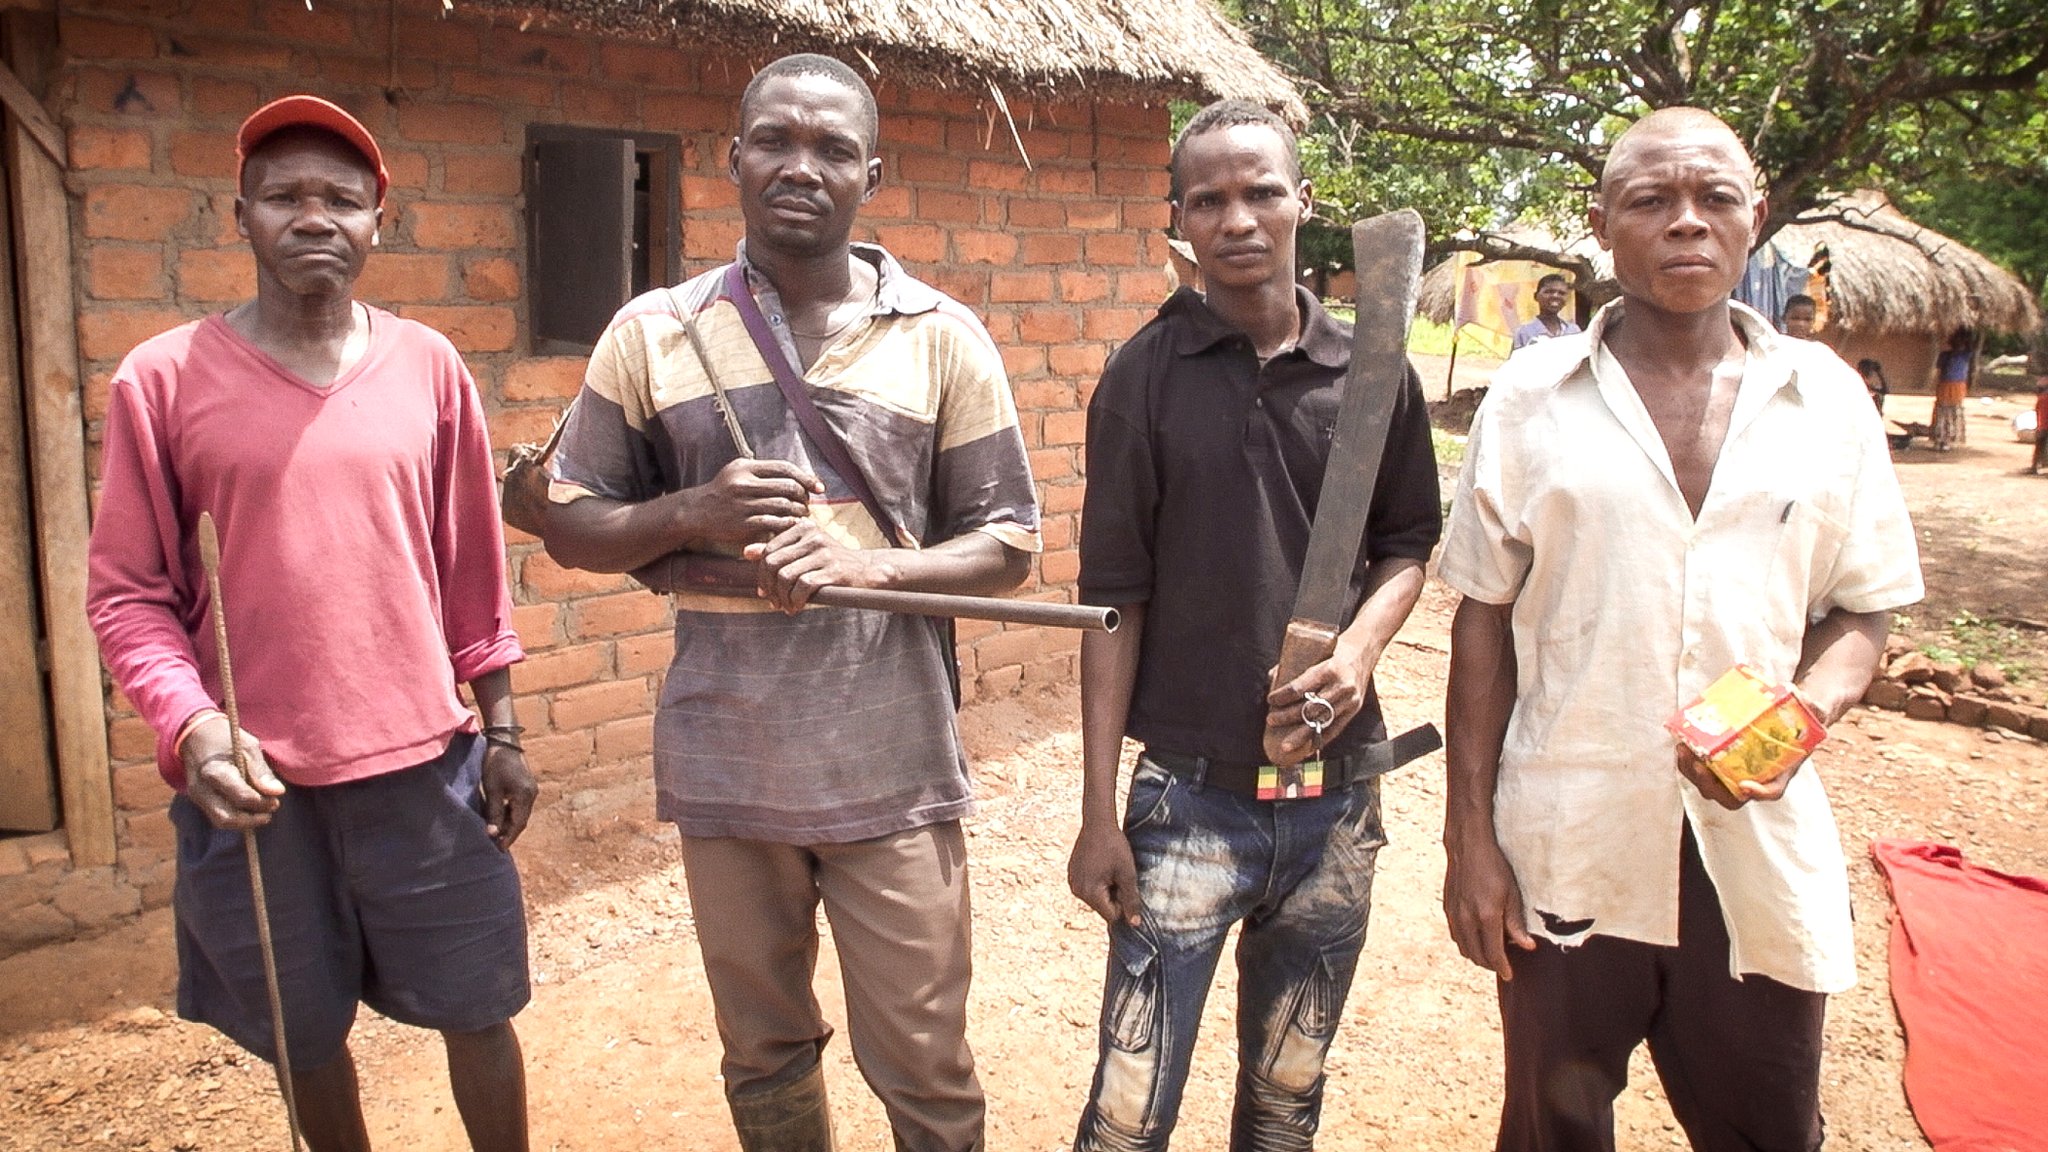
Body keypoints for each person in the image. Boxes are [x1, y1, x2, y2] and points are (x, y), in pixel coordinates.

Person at [541, 54, 1039, 1152]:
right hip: (726, 760)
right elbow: (569, 523)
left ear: (872, 170)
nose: (798, 165)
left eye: (830, 148)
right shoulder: (654, 333)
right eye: (773, 140)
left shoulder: (942, 335)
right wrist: (690, 514)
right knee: (761, 1048)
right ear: (733, 159)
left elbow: (1009, 548)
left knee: (921, 1057)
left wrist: (868, 570)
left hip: (891, 764)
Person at [1439, 106, 1921, 1152]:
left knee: (1765, 1128)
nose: (1685, 224)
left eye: (1711, 198)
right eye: (1651, 201)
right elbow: (1479, 621)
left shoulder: (1826, 402)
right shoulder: (1528, 400)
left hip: (1752, 846)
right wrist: (1468, 837)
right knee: (1550, 1131)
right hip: (1568, 845)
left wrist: (1805, 708)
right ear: (1601, 224)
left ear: (1754, 215)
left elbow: (1863, 605)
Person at [85, 96, 536, 1152]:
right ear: (237, 215)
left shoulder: (430, 368)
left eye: (340, 198)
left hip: (427, 768)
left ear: (380, 218)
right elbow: (128, 594)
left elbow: (473, 570)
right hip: (257, 787)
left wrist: (504, 730)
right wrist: (192, 727)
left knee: (480, 1007)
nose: (313, 217)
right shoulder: (160, 381)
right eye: (284, 196)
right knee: (303, 1035)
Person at [1067, 99, 1442, 1150]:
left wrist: (1358, 654)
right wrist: (1100, 810)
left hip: (1334, 809)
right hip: (1188, 803)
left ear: (1301, 204)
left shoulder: (1371, 374)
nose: (1237, 218)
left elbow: (1409, 543)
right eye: (1209, 199)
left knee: (1286, 1095)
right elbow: (1111, 603)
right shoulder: (1141, 379)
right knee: (1128, 1109)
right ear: (1176, 220)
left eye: (1260, 191)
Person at [1511, 273, 1581, 349]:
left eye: (1561, 293)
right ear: (1536, 296)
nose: (1555, 296)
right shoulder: (1524, 333)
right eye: (1549, 291)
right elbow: (1517, 360)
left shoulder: (1573, 331)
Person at [1933, 327, 1973, 450]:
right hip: (1945, 385)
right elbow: (1939, 372)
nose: (1958, 343)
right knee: (1943, 412)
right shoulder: (1945, 355)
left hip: (1957, 386)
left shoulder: (1966, 355)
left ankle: (1949, 439)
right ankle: (1941, 439)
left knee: (1953, 411)